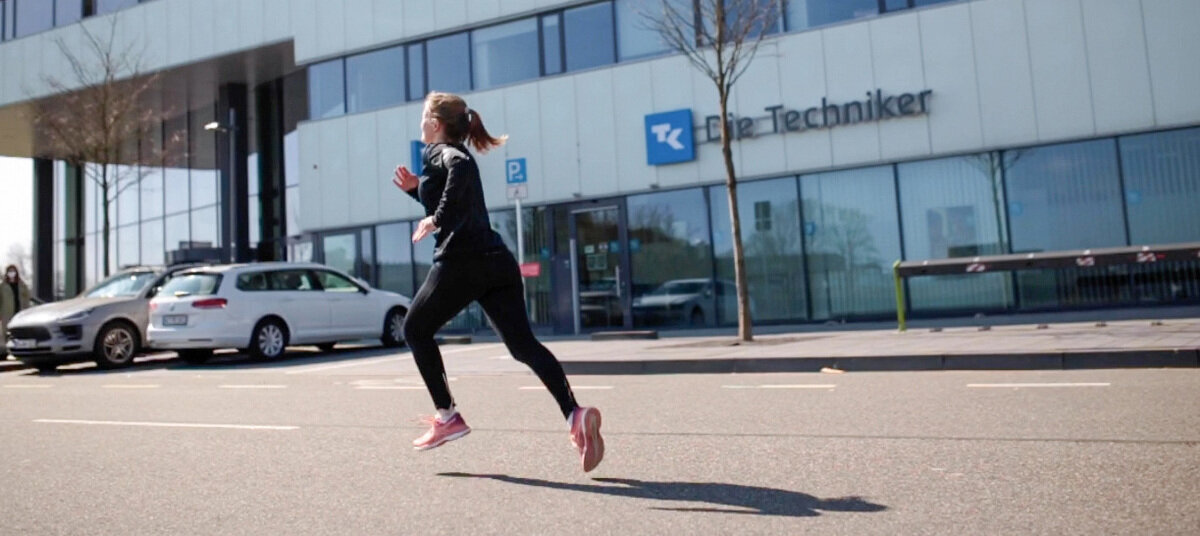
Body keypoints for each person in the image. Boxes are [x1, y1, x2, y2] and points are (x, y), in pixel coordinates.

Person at [392, 92, 604, 472]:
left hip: (462, 262)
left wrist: (434, 220)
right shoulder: (443, 160)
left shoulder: (443, 153)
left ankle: (447, 416)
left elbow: (459, 173)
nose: (421, 123)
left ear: (437, 125)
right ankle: (574, 413)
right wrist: (417, 195)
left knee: (415, 329)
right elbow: (453, 198)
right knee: (523, 346)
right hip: (496, 262)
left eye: (424, 117)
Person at [1, 264, 33, 357]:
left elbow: (27, 297)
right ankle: (7, 352)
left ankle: (20, 352)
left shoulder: (22, 285)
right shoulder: (3, 286)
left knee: (20, 333)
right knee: (7, 333)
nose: (12, 273)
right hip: (7, 313)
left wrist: (27, 310)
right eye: (10, 271)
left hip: (20, 312)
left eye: (13, 271)